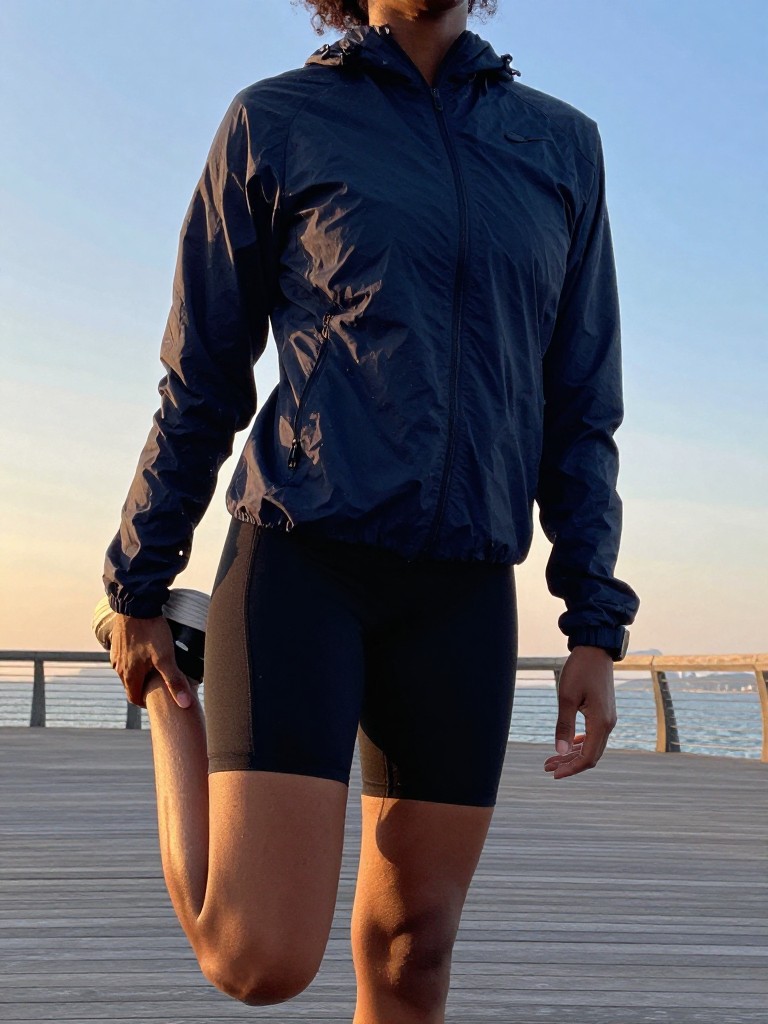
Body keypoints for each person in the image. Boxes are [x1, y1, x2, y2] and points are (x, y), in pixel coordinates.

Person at [102, 0, 640, 1019]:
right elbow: (204, 378)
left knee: (413, 950)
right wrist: (137, 577)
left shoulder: (563, 146)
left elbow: (582, 405)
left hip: (463, 586)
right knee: (256, 954)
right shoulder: (277, 120)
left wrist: (594, 627)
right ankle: (176, 708)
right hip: (305, 563)